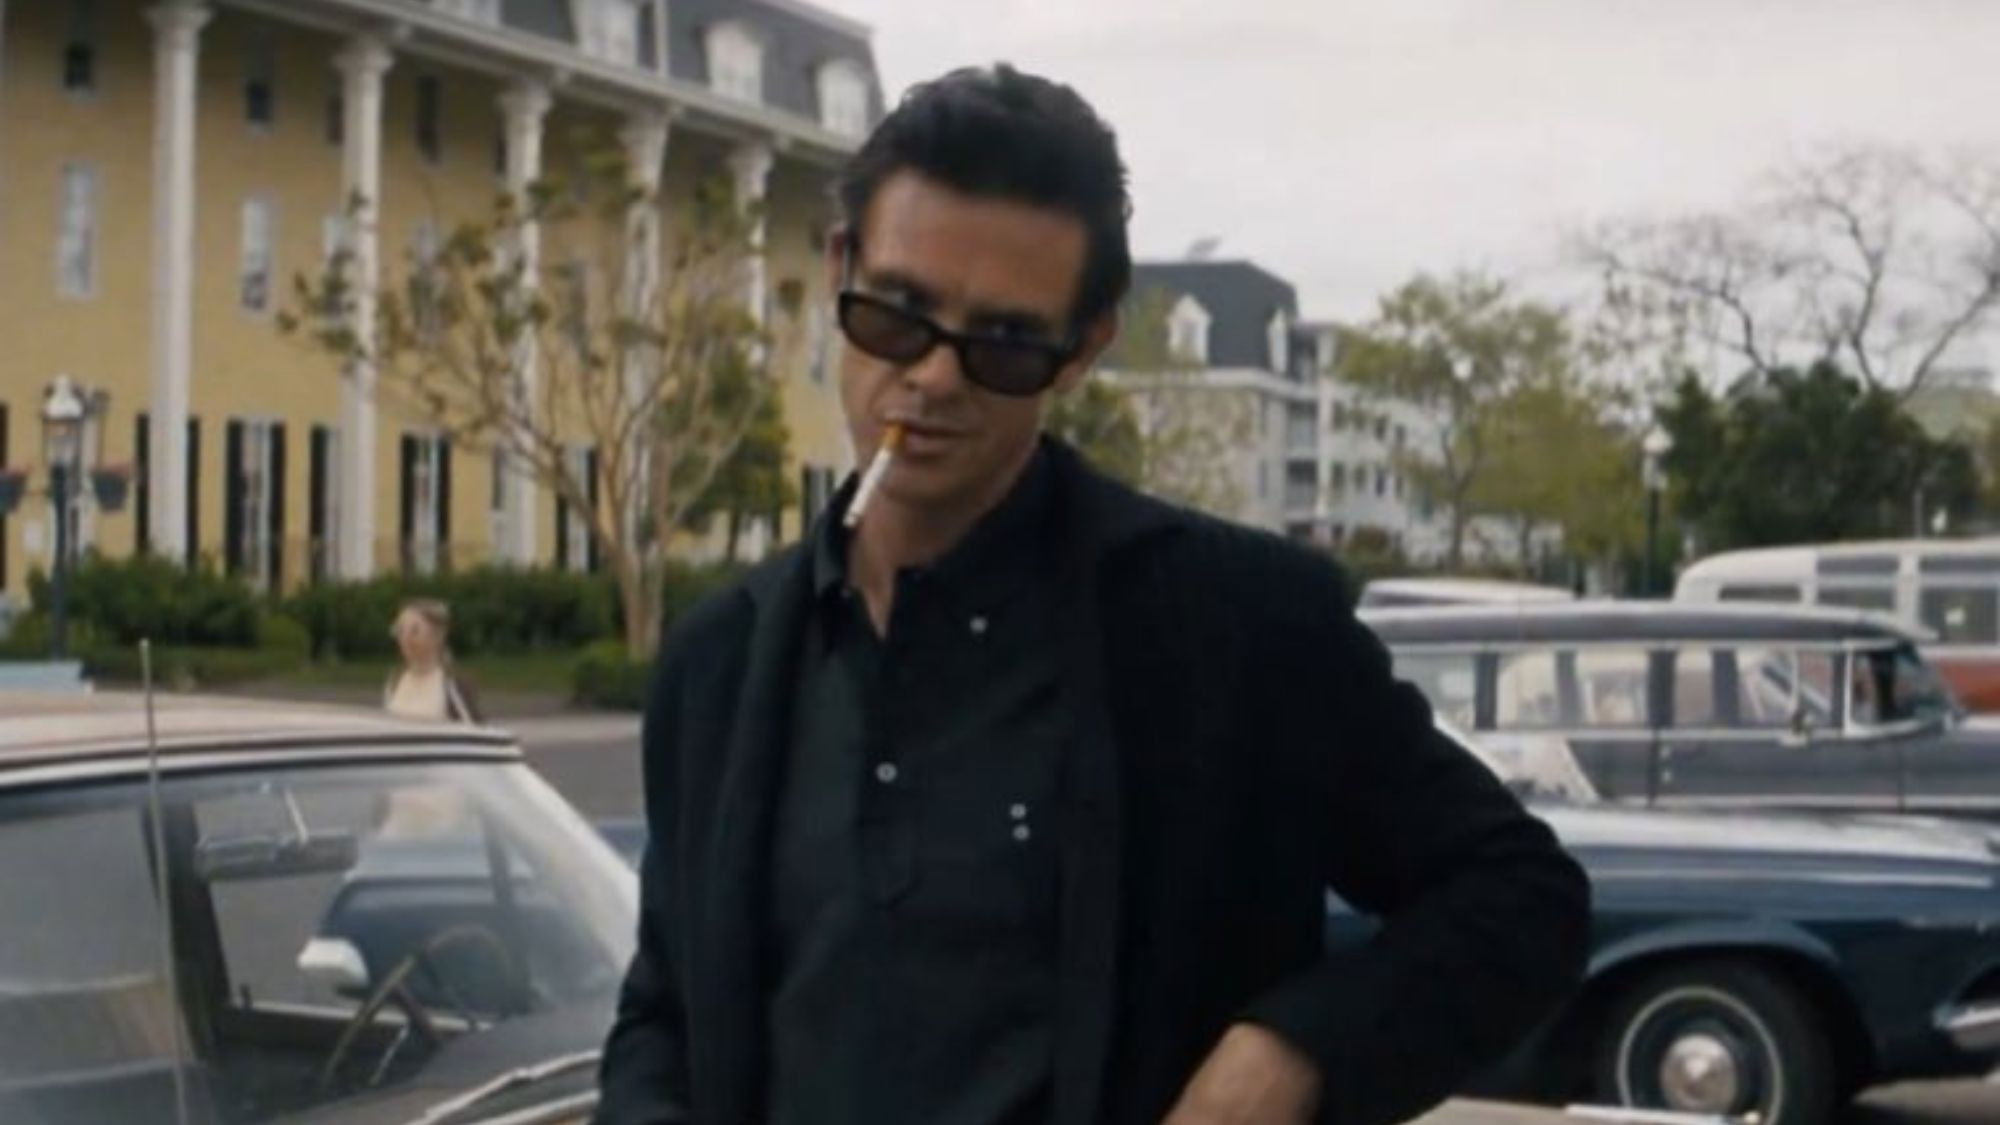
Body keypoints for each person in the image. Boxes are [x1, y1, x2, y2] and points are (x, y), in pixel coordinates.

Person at [597, 64, 1589, 1125]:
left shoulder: (1239, 630)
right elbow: (669, 1011)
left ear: (1083, 347)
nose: (933, 376)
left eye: (1004, 342)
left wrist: (1293, 1052)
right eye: (898, 313)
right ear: (840, 266)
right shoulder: (719, 663)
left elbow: (1517, 899)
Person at [383, 599, 482, 725]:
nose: (405, 639)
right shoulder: (395, 681)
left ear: (438, 635)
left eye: (414, 631)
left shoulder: (453, 683)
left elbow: (474, 729)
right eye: (400, 630)